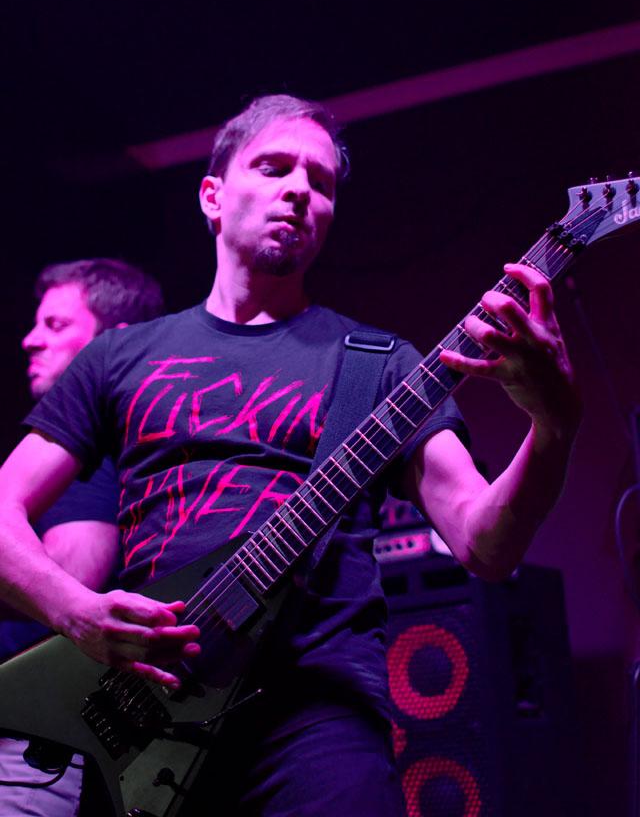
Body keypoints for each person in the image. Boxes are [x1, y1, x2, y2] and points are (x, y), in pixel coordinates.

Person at [0, 96, 581, 816]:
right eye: (275, 167)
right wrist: (75, 612)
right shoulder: (120, 357)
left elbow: (484, 542)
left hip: (319, 717)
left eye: (322, 181)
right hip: (147, 719)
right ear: (212, 196)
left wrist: (554, 425)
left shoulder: (381, 365)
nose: (301, 189)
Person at [0, 258, 164, 816]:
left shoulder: (83, 454)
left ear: (115, 341)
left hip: (34, 739)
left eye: (56, 325)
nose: (30, 339)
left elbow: (71, 578)